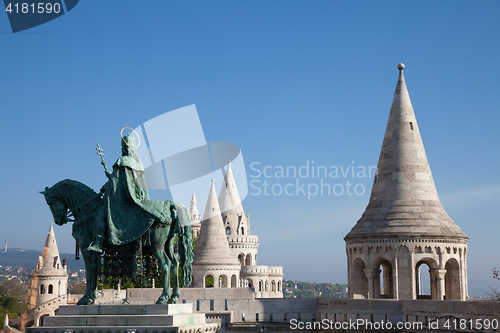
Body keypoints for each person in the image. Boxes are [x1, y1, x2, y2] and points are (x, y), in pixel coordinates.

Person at [87, 135, 170, 253]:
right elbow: (129, 182)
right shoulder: (139, 164)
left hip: (124, 199)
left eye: (122, 146)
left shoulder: (122, 161)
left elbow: (115, 183)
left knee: (100, 214)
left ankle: (98, 243)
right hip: (139, 198)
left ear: (125, 147)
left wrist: (107, 183)